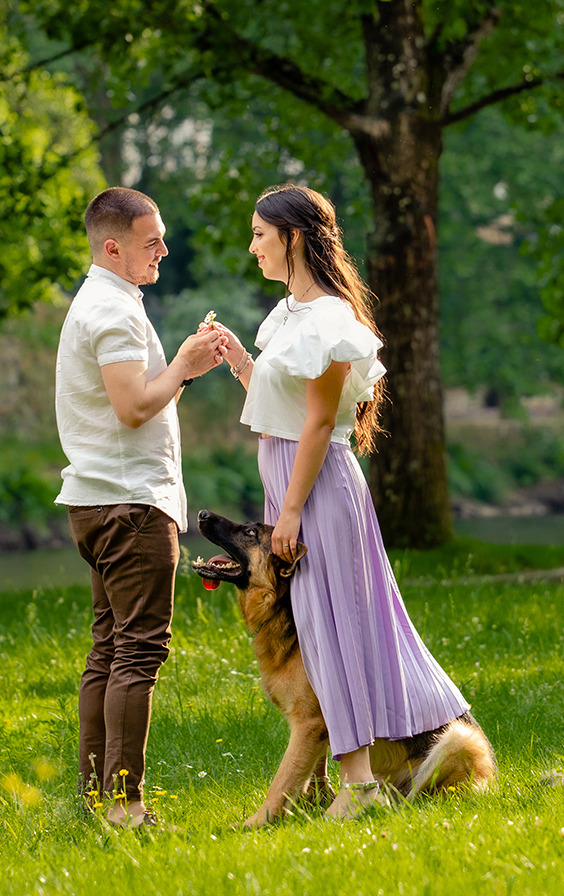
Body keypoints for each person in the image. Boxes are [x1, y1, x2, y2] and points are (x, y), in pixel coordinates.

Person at [210, 184, 471, 820]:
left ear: (293, 238)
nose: (253, 249)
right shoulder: (292, 316)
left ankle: (360, 782)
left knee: (335, 629)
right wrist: (243, 364)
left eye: (260, 236)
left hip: (319, 488)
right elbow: (287, 410)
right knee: (322, 629)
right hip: (294, 481)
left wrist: (292, 512)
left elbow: (322, 424)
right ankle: (358, 777)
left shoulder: (328, 319)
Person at [55, 186, 226, 829]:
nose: (163, 250)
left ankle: (97, 799)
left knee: (110, 649)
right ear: (113, 246)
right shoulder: (114, 311)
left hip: (101, 501)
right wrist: (182, 363)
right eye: (151, 241)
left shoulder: (103, 302)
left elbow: (130, 400)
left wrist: (182, 365)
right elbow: (131, 408)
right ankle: (125, 807)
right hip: (129, 506)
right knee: (138, 652)